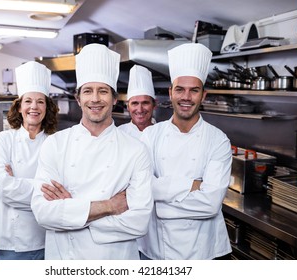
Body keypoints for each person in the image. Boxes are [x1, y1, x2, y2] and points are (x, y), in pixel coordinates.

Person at [31, 43, 153, 260]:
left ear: (115, 99)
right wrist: (110, 206)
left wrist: (72, 213)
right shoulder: (56, 144)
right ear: (78, 98)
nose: (95, 99)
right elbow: (43, 213)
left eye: (103, 91)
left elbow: (139, 222)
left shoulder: (136, 150)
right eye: (88, 91)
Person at [137, 43, 232, 260]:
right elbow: (139, 188)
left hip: (204, 251)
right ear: (170, 93)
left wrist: (159, 207)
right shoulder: (150, 136)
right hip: (156, 251)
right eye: (180, 89)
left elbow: (210, 204)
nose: (186, 97)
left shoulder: (218, 140)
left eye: (194, 90)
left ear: (203, 95)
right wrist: (192, 185)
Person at [0, 61, 59, 260]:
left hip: (47, 235)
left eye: (40, 101)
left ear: (47, 108)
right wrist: (44, 190)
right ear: (19, 107)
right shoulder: (4, 140)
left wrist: (19, 183)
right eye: (28, 101)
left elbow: (62, 190)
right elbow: (6, 190)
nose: (33, 107)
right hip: (12, 240)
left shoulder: (56, 143)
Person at [119, 65, 156, 138]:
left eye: (145, 103)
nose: (140, 110)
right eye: (135, 103)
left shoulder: (163, 133)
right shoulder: (119, 134)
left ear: (154, 105)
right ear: (128, 106)